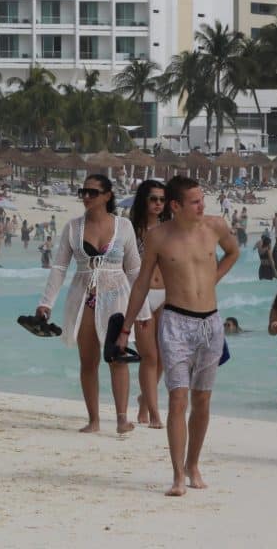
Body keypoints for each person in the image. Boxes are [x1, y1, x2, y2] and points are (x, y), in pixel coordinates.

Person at [117, 175, 239, 497]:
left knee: (202, 399)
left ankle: (192, 464)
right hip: (175, 323)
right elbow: (142, 283)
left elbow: (233, 252)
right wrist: (126, 327)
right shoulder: (158, 237)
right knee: (178, 398)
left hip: (210, 323)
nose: (202, 206)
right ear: (176, 206)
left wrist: (212, 280)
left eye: (202, 200)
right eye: (195, 201)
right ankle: (177, 476)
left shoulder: (215, 226)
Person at [36, 174, 149, 433]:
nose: (86, 196)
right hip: (83, 297)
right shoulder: (73, 227)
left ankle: (122, 419)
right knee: (88, 361)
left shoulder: (124, 226)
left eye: (93, 192)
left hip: (116, 296)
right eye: (83, 192)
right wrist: (46, 303)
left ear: (107, 196)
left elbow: (134, 270)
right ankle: (94, 420)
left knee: (118, 358)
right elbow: (59, 267)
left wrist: (142, 312)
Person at [130, 179, 168, 429]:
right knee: (149, 356)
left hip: (166, 295)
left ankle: (145, 400)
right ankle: (153, 413)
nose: (158, 204)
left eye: (162, 200)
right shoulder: (131, 230)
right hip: (141, 296)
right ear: (144, 200)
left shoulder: (169, 229)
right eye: (153, 199)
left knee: (163, 356)